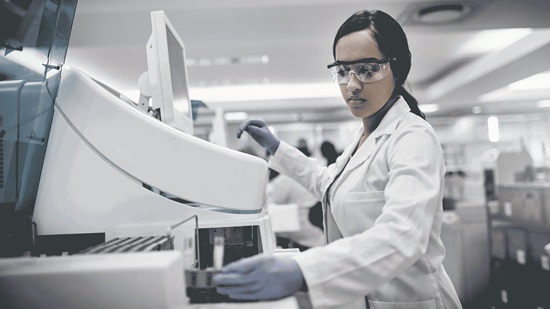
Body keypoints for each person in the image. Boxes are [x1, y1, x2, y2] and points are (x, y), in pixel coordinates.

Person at [213, 9, 462, 309]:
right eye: (343, 71)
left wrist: (302, 271)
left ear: (398, 69)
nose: (352, 84)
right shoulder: (363, 138)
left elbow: (403, 235)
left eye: (367, 69)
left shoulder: (413, 138)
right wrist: (277, 148)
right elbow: (328, 184)